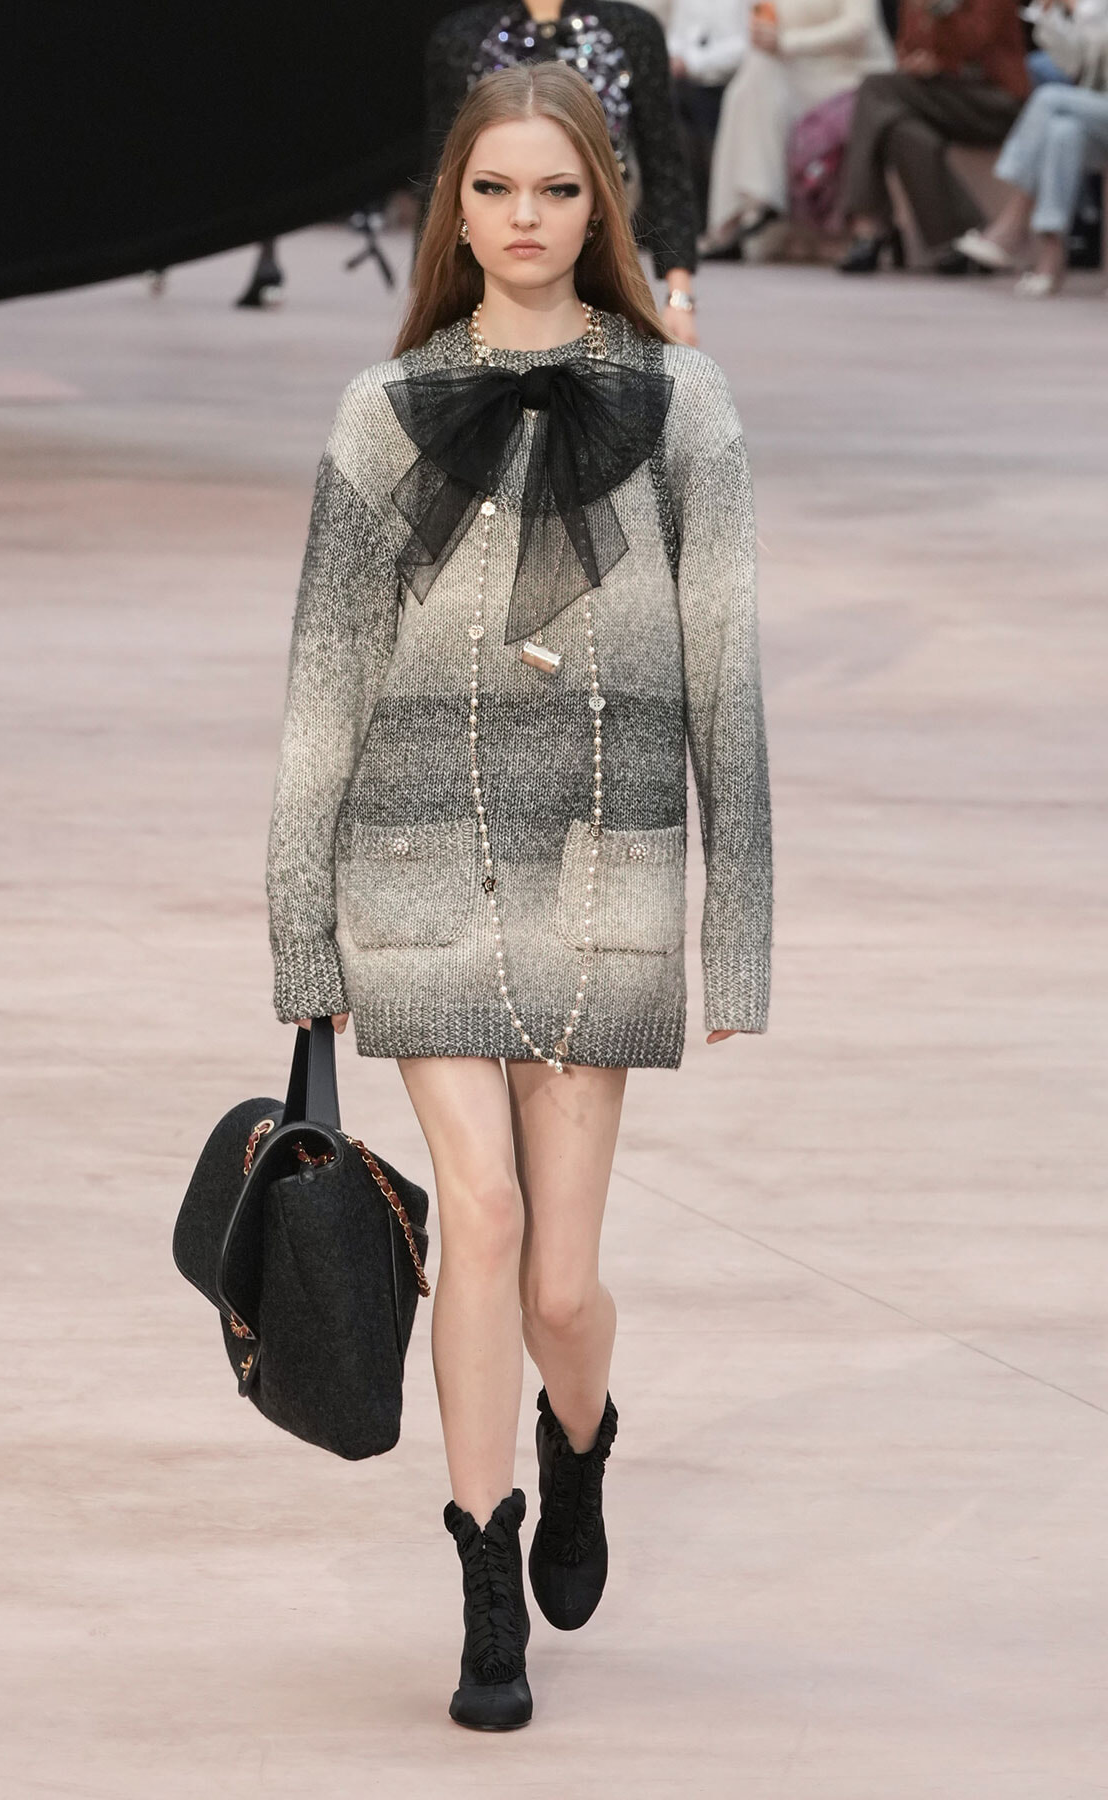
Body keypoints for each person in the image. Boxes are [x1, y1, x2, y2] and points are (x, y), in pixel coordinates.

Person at [265, 60, 771, 1731]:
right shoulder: (382, 409)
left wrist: (739, 923)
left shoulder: (684, 408)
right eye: (496, 190)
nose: (528, 221)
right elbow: (324, 680)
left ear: (601, 207)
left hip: (603, 865)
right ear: (452, 208)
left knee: (563, 1281)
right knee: (472, 1220)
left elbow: (730, 675)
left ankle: (580, 1438)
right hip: (411, 861)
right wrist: (300, 922)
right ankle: (487, 1580)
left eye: (558, 191)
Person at [423, 2, 701, 343]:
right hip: (487, 270)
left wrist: (679, 296)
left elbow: (664, 162)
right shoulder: (462, 35)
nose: (526, 215)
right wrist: (427, 295)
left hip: (599, 248)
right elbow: (441, 171)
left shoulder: (632, 30)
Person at [836, 0, 1029, 272]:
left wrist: (942, 58)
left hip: (994, 99)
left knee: (874, 88)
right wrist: (915, 63)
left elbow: (977, 40)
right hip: (938, 96)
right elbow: (906, 45)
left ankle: (870, 226)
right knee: (901, 130)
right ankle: (959, 241)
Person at [703, 0, 892, 260]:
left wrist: (787, 42)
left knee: (755, 81)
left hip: (851, 75)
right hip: (799, 75)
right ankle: (749, 207)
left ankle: (754, 206)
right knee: (748, 82)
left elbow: (859, 27)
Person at [951, 0, 1108, 294]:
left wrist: (1080, 10)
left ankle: (1015, 220)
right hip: (1096, 113)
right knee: (1063, 133)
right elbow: (1073, 63)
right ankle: (1051, 256)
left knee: (1049, 99)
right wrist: (1051, 17)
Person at [667, 0, 752, 243]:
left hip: (729, 81)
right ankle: (681, 220)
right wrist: (675, 59)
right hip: (687, 81)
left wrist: (692, 63)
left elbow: (744, 46)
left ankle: (712, 222)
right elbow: (677, 35)